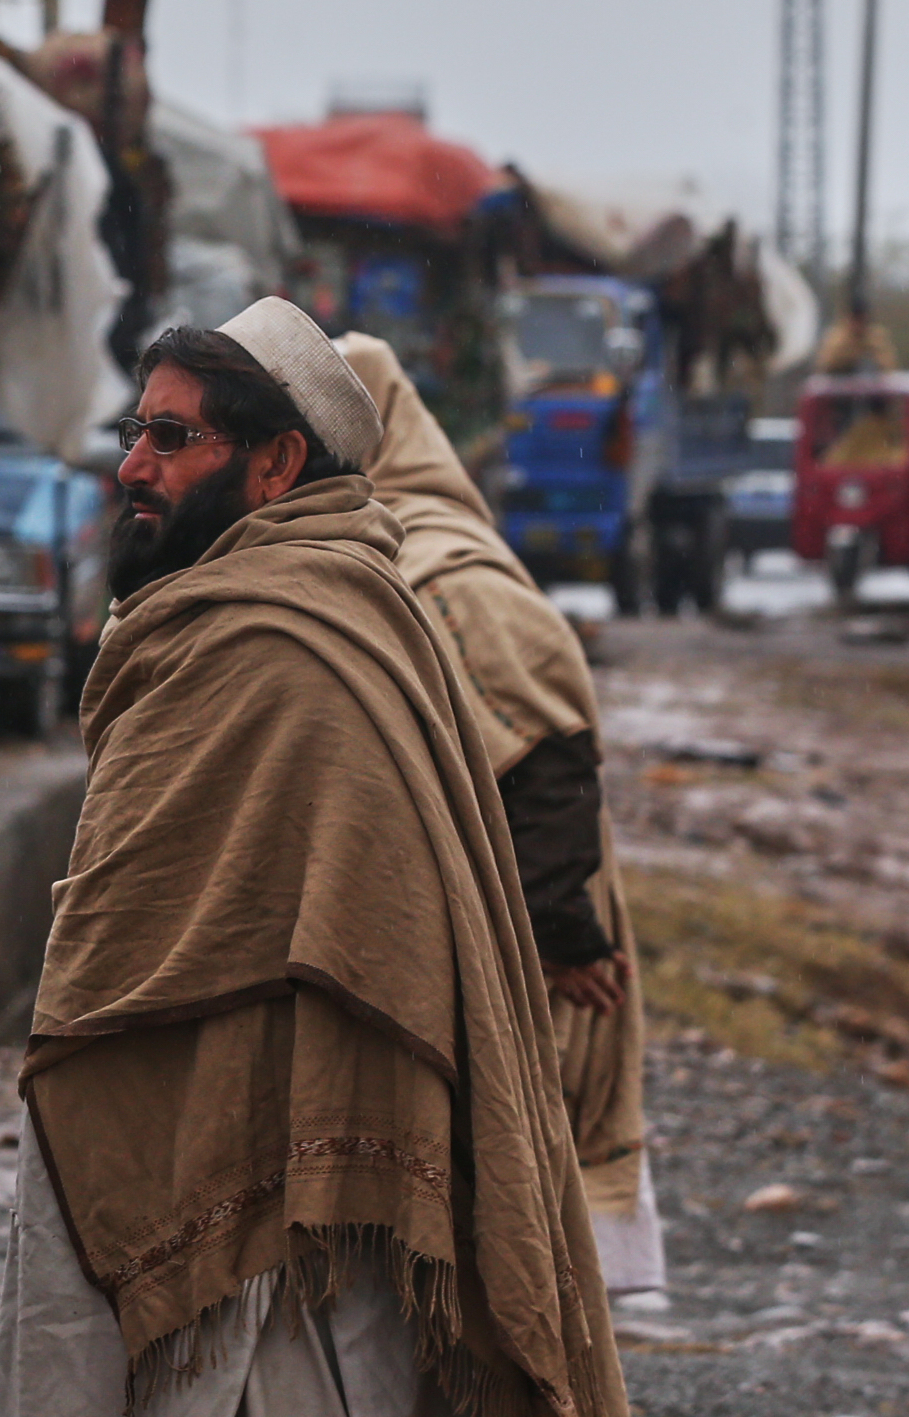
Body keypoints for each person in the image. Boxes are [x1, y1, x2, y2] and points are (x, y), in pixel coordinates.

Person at [0, 297, 624, 1417]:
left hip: (310, 1186)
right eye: (132, 431)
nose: (132, 464)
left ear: (278, 461)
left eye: (171, 437)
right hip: (190, 1128)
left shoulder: (294, 639)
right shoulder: (239, 615)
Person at [335, 332, 666, 1302]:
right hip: (484, 952)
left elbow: (546, 751)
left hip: (532, 954)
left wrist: (560, 934)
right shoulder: (365, 552)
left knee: (523, 1248)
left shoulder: (445, 574)